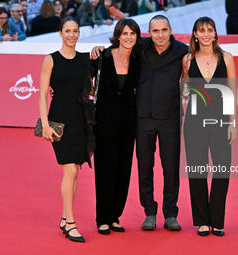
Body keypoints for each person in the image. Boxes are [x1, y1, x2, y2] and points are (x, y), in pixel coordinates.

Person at [91, 15, 188, 231]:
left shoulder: (183, 51)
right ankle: (150, 212)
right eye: (155, 31)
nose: (160, 35)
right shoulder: (140, 47)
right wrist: (99, 48)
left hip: (170, 117)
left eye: (164, 30)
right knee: (145, 167)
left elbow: (202, 61)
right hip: (141, 118)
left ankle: (171, 213)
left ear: (171, 30)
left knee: (170, 167)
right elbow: (120, 45)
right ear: (149, 33)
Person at [182, 16, 237, 237]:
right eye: (201, 30)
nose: (206, 34)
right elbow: (185, 90)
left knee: (222, 169)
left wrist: (233, 122)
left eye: (210, 30)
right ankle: (203, 220)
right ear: (195, 34)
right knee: (197, 170)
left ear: (215, 34)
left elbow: (232, 91)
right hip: (194, 121)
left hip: (221, 120)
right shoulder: (187, 60)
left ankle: (218, 219)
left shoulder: (227, 58)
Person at [39, 16, 91, 243]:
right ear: (60, 33)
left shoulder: (85, 58)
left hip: (80, 120)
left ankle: (63, 217)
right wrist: (45, 125)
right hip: (59, 121)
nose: (71, 35)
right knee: (69, 171)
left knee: (75, 170)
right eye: (67, 31)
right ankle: (70, 223)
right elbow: (42, 93)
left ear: (79, 33)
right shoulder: (50, 59)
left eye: (75, 31)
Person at [92, 18, 141, 235]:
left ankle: (114, 216)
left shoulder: (139, 59)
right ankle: (102, 217)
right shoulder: (101, 57)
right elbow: (80, 77)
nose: (129, 37)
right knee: (105, 170)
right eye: (125, 34)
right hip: (104, 123)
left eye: (133, 34)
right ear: (118, 36)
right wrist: (55, 90)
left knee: (123, 170)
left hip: (128, 124)